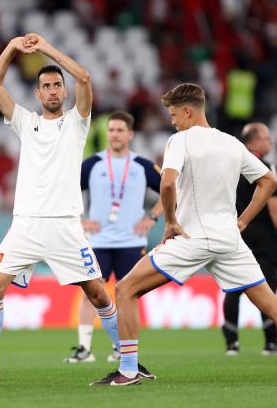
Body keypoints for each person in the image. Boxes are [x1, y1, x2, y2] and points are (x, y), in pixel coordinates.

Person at [90, 83, 277, 386]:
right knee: (272, 305)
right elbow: (269, 181)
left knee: (125, 290)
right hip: (229, 239)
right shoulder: (231, 143)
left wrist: (169, 222)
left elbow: (166, 184)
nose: (173, 121)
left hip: (192, 238)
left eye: (174, 114)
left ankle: (127, 370)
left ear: (188, 111)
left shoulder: (180, 140)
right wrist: (242, 221)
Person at [0, 33, 123, 383]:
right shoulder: (25, 121)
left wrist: (46, 48)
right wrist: (12, 47)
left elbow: (84, 76)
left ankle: (129, 363)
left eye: (56, 85)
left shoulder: (77, 122)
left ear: (63, 92)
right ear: (37, 94)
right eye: (45, 86)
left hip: (65, 225)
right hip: (25, 226)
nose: (52, 90)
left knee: (97, 292)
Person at [66, 110, 162, 369]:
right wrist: (80, 221)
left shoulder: (142, 165)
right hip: (98, 241)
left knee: (126, 295)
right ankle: (84, 348)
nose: (115, 135)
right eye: (111, 130)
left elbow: (170, 189)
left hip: (132, 242)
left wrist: (152, 218)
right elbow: (66, 192)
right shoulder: (92, 164)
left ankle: (122, 348)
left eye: (120, 130)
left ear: (130, 134)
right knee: (89, 293)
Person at [222, 123, 277, 356]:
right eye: (266, 138)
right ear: (253, 142)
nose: (270, 142)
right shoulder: (264, 168)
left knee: (233, 288)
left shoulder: (230, 165)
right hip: (264, 237)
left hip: (235, 233)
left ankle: (232, 344)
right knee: (267, 289)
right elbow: (275, 208)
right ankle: (271, 343)